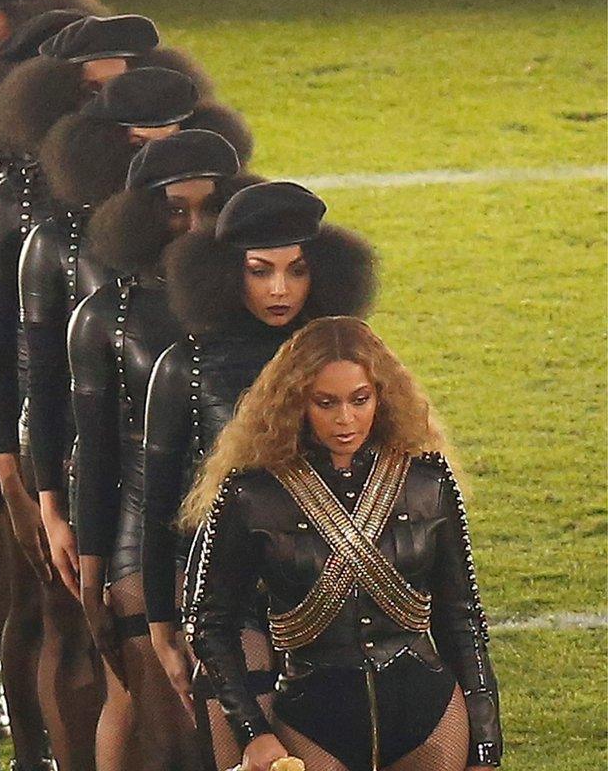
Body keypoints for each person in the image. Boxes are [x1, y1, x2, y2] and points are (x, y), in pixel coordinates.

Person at [182, 315, 503, 771]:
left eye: (360, 399)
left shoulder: (428, 482)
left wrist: (486, 745)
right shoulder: (252, 494)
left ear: (382, 396)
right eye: (326, 403)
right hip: (313, 724)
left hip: (431, 719)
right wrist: (253, 732)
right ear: (296, 403)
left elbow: (462, 618)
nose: (345, 419)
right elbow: (208, 623)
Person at [143, 181, 377, 768]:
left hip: (334, 597)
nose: (280, 289)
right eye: (260, 270)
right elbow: (162, 504)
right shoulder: (184, 368)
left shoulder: (349, 360)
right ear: (227, 271)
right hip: (230, 601)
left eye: (296, 270)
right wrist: (160, 621)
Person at [0, 4, 109, 771]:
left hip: (132, 441)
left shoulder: (170, 209)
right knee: (50, 606)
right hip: (44, 436)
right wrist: (0, 452)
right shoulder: (14, 205)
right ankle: (23, 753)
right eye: (93, 92)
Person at [69, 129, 247, 770]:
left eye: (211, 208)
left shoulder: (267, 306)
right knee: (157, 720)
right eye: (177, 209)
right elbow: (97, 454)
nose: (195, 225)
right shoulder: (104, 316)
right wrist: (92, 565)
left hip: (250, 535)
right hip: (144, 530)